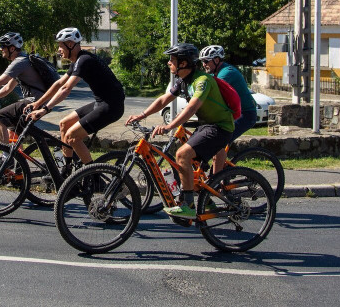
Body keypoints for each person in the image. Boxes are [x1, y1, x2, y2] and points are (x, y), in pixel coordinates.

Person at [125, 43, 234, 219]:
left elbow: (191, 108)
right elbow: (163, 100)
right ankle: (206, 201)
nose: (169, 63)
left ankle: (188, 205)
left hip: (220, 127)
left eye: (173, 59)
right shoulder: (184, 81)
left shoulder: (202, 81)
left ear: (184, 63)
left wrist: (169, 126)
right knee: (184, 157)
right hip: (207, 125)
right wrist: (141, 115)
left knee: (182, 155)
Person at [25, 27, 125, 177]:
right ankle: (68, 171)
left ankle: (93, 178)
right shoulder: (78, 60)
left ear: (70, 43)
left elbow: (66, 88)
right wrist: (37, 103)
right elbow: (59, 84)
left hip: (111, 106)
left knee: (72, 136)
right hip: (101, 102)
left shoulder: (84, 60)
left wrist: (45, 109)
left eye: (60, 45)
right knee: (64, 124)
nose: (58, 50)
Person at [0, 32, 58, 144]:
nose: (0, 49)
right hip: (42, 101)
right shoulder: (24, 60)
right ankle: (17, 160)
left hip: (35, 101)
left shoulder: (19, 62)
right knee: (12, 134)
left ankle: (6, 158)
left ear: (12, 48)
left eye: (2, 46)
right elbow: (7, 88)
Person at [198, 44, 257, 174]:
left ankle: (216, 182)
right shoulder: (218, 72)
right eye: (202, 61)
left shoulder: (226, 73)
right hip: (234, 114)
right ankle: (221, 174)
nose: (203, 64)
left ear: (217, 60)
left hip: (246, 114)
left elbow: (211, 93)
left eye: (206, 61)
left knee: (219, 142)